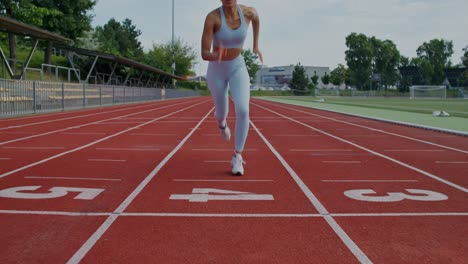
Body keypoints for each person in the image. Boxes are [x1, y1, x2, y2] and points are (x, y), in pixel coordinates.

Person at [201, 0, 262, 176]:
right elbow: (204, 53)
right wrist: (217, 54)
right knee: (221, 114)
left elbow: (257, 20)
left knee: (243, 110)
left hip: (238, 67)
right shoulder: (213, 18)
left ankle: (237, 155)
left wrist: (256, 45)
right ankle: (221, 124)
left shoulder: (248, 12)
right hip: (217, 69)